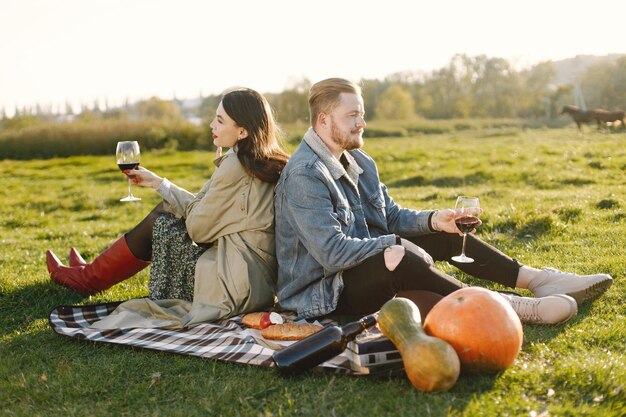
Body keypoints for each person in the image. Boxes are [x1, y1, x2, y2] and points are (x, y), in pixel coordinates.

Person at [274, 78, 613, 324]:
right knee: (399, 257)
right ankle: (505, 307)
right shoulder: (305, 174)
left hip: (362, 268)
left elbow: (389, 216)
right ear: (323, 120)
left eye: (361, 114)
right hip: (324, 295)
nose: (362, 122)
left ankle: (539, 280)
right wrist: (395, 245)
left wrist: (435, 220)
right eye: (352, 116)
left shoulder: (360, 161)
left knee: (446, 235)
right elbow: (332, 253)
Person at [47, 87, 290, 326]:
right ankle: (91, 272)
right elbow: (207, 208)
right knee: (165, 208)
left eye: (219, 120)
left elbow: (198, 229)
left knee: (161, 219)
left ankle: (90, 279)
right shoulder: (263, 159)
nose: (211, 126)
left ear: (243, 131)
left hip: (233, 287)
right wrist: (159, 183)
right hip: (258, 282)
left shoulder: (235, 166)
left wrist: (166, 191)